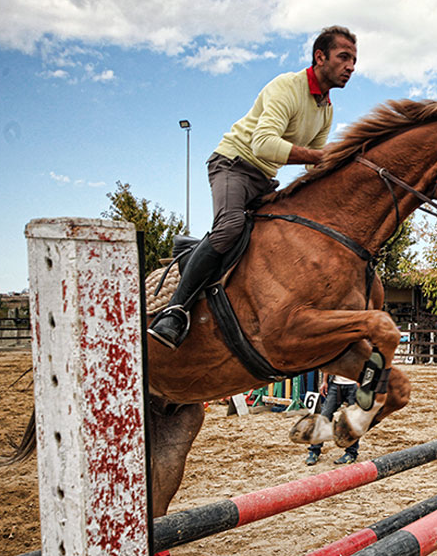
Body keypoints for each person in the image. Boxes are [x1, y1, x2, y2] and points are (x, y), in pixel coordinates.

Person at [150, 25, 358, 348]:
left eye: (354, 61)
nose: (351, 67)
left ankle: (196, 255)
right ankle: (175, 310)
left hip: (263, 179)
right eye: (344, 57)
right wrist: (321, 156)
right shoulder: (286, 87)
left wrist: (347, 165)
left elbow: (312, 163)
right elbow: (262, 144)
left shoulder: (326, 110)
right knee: (231, 226)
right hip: (232, 163)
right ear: (320, 57)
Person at [306, 373, 360, 465]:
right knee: (324, 417)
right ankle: (314, 451)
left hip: (354, 385)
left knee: (353, 420)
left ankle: (351, 453)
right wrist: (324, 381)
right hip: (335, 384)